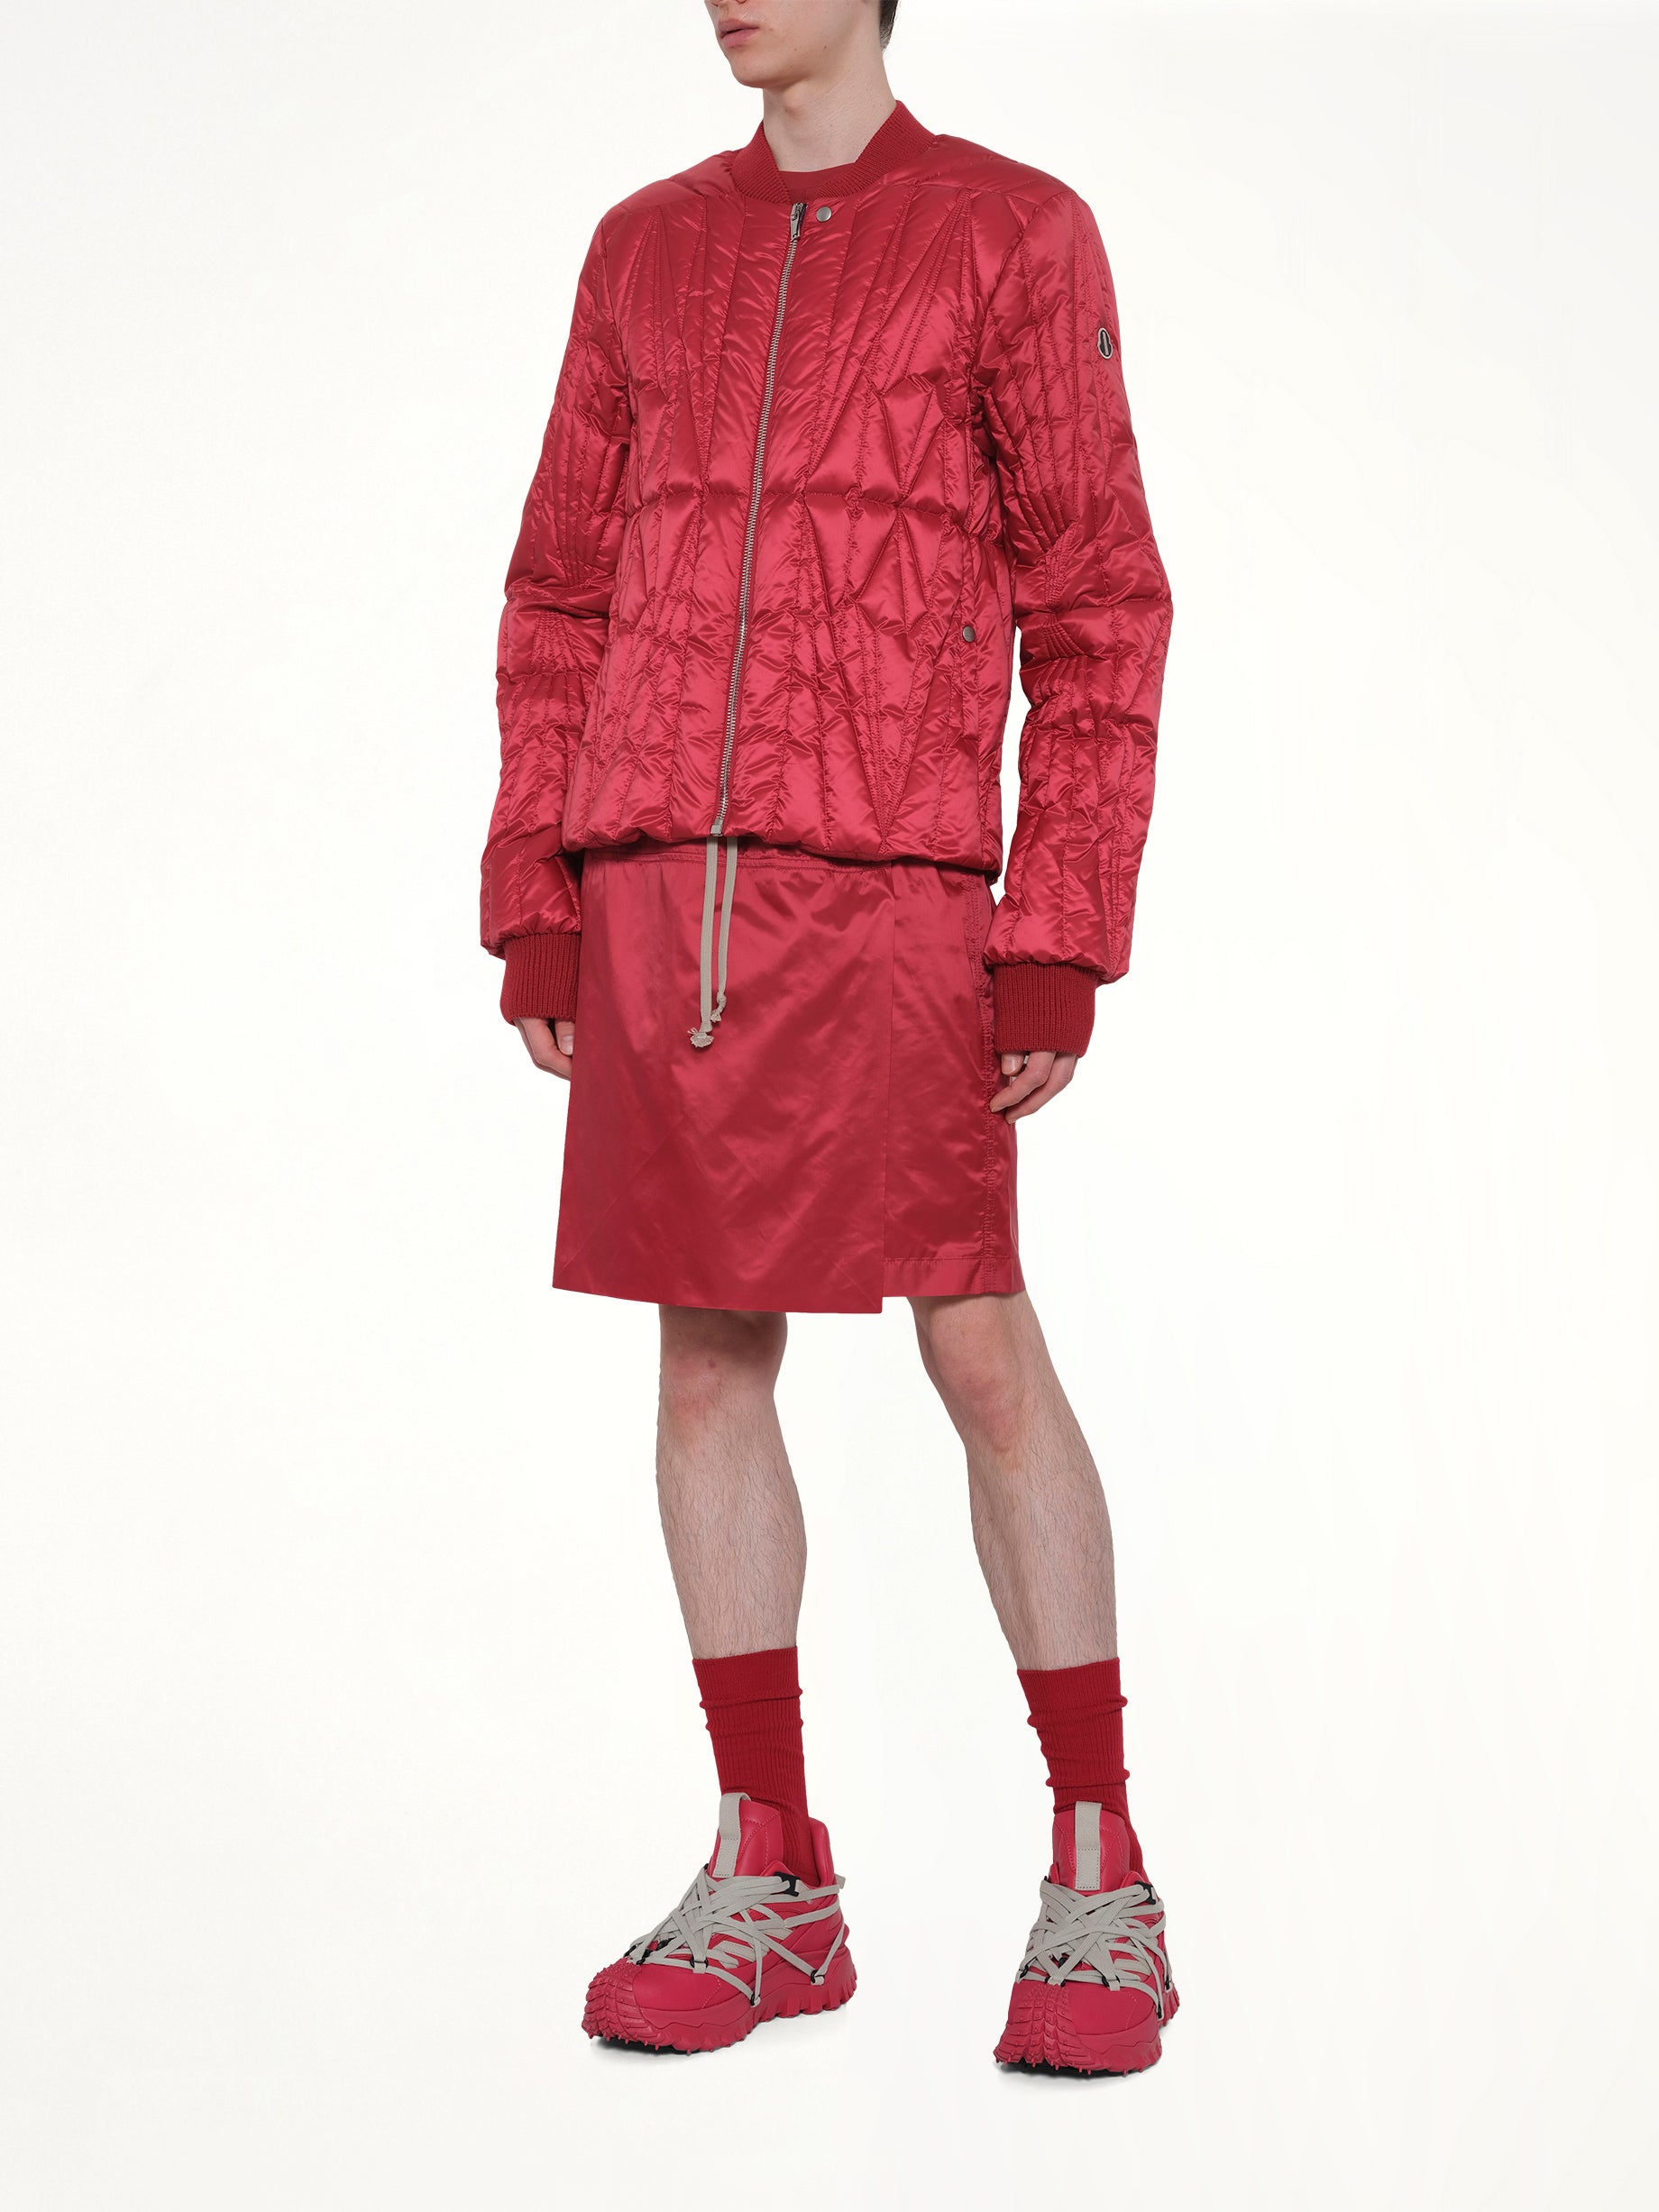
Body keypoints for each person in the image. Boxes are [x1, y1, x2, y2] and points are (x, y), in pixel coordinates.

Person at [481, 0, 1174, 2074]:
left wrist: (1055, 927)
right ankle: (768, 1873)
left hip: (888, 889)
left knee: (973, 1340)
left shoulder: (1011, 233)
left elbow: (1099, 600)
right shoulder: (640, 246)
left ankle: (1099, 1875)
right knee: (703, 1353)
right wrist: (539, 884)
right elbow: (559, 594)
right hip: (661, 891)